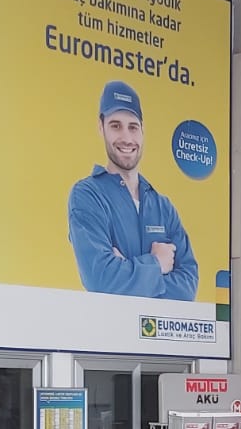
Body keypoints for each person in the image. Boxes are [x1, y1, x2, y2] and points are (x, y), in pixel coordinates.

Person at [67, 80, 198, 300]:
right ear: (101, 127)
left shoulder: (163, 207)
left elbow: (187, 288)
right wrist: (157, 264)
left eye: (133, 127)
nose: (127, 138)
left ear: (143, 130)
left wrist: (126, 269)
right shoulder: (87, 196)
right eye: (115, 126)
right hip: (112, 324)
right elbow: (101, 279)